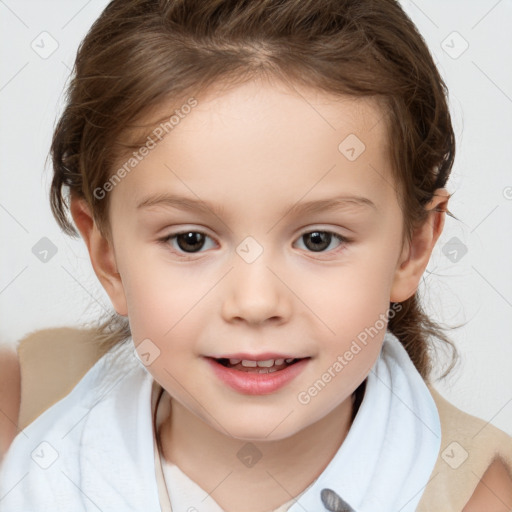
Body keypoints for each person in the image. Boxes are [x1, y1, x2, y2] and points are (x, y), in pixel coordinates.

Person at [1, 0, 511, 510]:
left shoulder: (479, 494)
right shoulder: (21, 411)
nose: (256, 301)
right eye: (190, 240)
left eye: (318, 239)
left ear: (412, 249)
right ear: (107, 254)